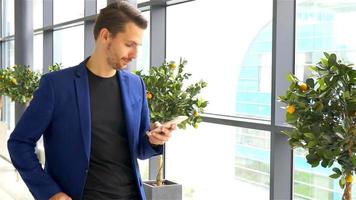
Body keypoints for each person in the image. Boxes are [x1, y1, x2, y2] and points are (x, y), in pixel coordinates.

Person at [7, 1, 175, 200]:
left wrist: (154, 139)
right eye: (129, 44)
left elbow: (140, 148)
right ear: (105, 36)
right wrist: (51, 193)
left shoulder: (136, 85)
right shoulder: (57, 86)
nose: (135, 54)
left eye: (138, 46)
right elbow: (19, 143)